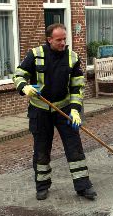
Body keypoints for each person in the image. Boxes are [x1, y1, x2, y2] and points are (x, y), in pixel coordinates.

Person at [13, 23, 97, 201]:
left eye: (64, 39)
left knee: (74, 148)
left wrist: (75, 111)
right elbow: (18, 74)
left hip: (64, 108)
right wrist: (24, 87)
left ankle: (83, 186)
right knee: (41, 149)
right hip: (40, 110)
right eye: (59, 39)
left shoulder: (72, 58)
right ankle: (42, 186)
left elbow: (77, 87)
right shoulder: (35, 55)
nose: (63, 43)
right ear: (49, 39)